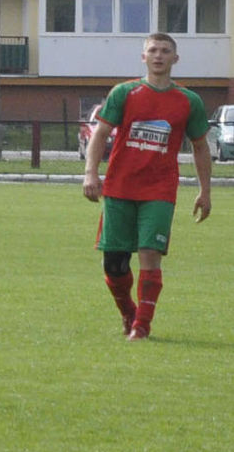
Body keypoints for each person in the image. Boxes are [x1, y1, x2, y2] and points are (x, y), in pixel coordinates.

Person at [81, 32, 212, 341]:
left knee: (150, 253)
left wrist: (205, 191)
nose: (158, 55)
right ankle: (129, 312)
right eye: (153, 50)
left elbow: (200, 147)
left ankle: (142, 326)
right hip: (119, 188)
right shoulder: (125, 93)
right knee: (114, 264)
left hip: (159, 192)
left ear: (175, 59)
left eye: (165, 51)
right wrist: (91, 174)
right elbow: (100, 134)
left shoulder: (188, 101)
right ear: (144, 57)